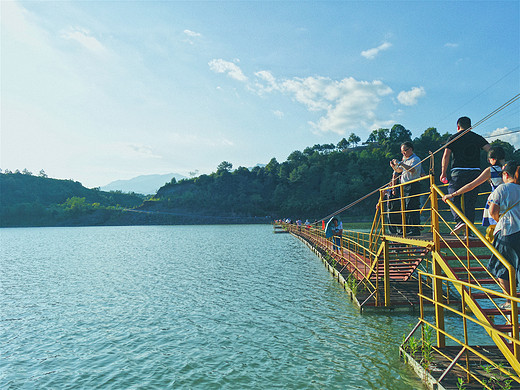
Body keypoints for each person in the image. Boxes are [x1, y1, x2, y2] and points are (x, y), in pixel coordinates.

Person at [440, 116, 491, 234]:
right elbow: (490, 149)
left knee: (452, 196)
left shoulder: (453, 138)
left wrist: (443, 173)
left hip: (458, 172)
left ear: (458, 126)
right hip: (475, 172)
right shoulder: (477, 137)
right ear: (470, 127)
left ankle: (460, 221)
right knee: (470, 202)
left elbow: (446, 156)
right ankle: (469, 231)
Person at [442, 146, 506, 228]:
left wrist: (453, 194)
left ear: (492, 159)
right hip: (513, 200)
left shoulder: (491, 170)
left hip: (496, 201)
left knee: (496, 230)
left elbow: (471, 185)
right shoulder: (512, 169)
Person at [486, 161, 520, 308]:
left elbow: (493, 212)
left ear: (506, 174)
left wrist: (500, 220)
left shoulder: (502, 188)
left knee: (501, 266)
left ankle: (510, 301)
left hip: (507, 231)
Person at [390, 141, 422, 236]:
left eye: (405, 150)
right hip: (404, 186)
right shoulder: (405, 159)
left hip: (413, 185)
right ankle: (407, 229)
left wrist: (400, 163)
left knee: (411, 206)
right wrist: (394, 167)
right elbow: (400, 170)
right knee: (404, 207)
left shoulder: (415, 159)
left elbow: (412, 169)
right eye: (402, 151)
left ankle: (414, 229)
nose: (403, 153)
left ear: (410, 149)